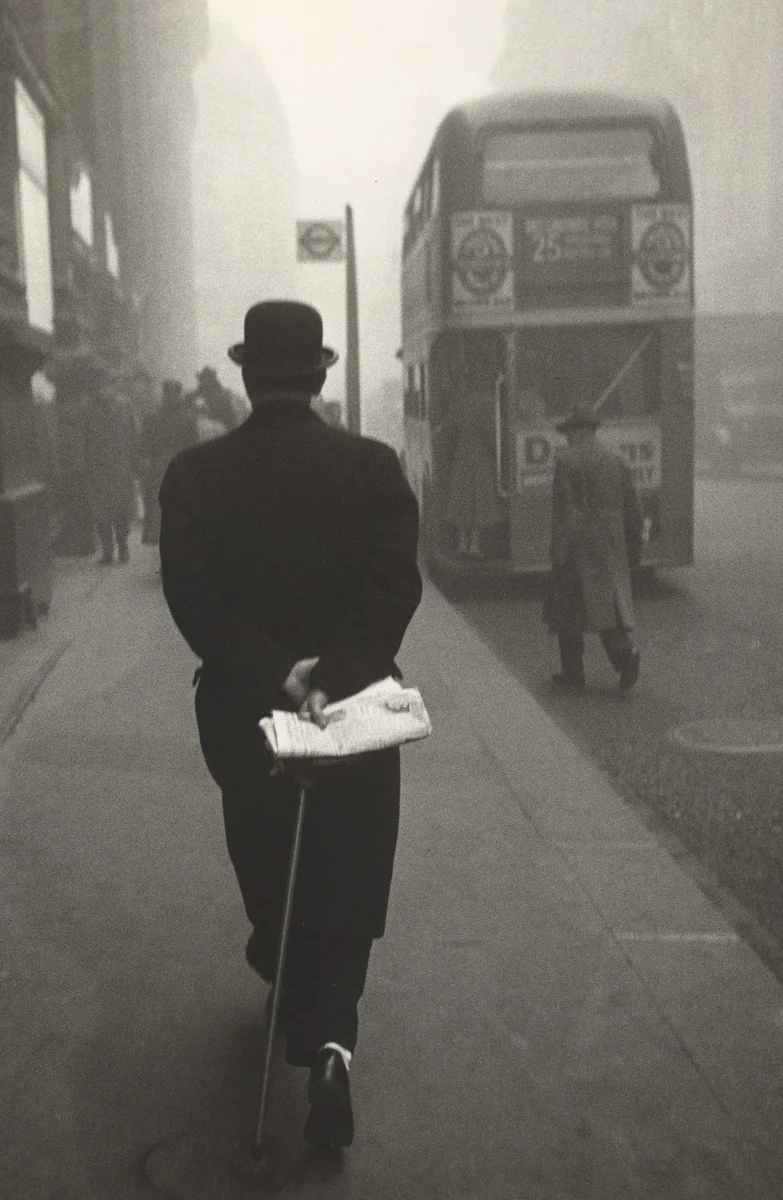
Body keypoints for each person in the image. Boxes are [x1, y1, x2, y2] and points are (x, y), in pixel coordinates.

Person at [158, 301, 422, 1149]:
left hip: (244, 715)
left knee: (266, 860)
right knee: (349, 874)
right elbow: (393, 589)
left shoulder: (195, 475)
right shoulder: (375, 467)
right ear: (318, 376)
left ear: (244, 374)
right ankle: (333, 1044)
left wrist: (278, 674)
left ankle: (281, 969)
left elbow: (190, 593)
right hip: (354, 717)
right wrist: (332, 679)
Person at [544, 402, 643, 690]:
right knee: (606, 608)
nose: (567, 438)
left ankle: (573, 672)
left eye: (569, 432)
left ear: (578, 431)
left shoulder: (566, 461)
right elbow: (633, 509)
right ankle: (626, 657)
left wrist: (556, 549)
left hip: (575, 544)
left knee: (567, 608)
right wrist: (633, 545)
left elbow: (560, 512)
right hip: (609, 546)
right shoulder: (617, 460)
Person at [84, 366, 138, 565]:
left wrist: (134, 462)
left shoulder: (126, 406)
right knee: (100, 511)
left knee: (121, 510)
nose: (103, 390)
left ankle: (123, 546)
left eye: (107, 385)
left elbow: (134, 436)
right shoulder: (89, 409)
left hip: (121, 467)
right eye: (100, 386)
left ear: (113, 387)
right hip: (97, 469)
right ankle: (107, 551)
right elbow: (84, 438)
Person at [139, 380, 199, 547]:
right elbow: (194, 444)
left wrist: (145, 460)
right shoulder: (189, 417)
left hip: (162, 465)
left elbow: (144, 443)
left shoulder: (152, 416)